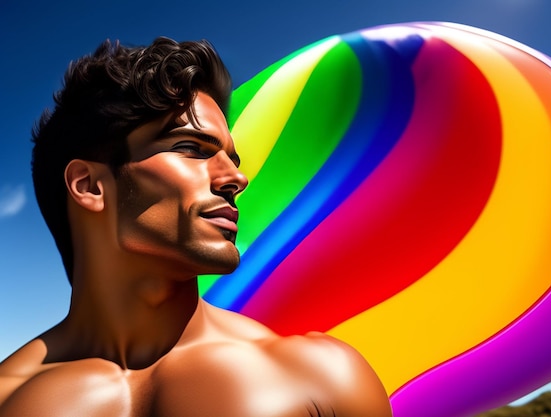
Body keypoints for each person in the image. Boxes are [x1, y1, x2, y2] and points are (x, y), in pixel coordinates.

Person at [0, 38, 393, 416]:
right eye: (191, 148)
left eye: (231, 158)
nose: (235, 178)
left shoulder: (322, 375)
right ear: (90, 186)